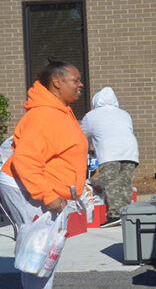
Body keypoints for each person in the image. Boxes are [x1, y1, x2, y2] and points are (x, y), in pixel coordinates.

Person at [0, 58, 88, 289]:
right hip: (24, 186)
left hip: (40, 186)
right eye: (75, 80)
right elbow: (26, 160)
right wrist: (48, 196)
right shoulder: (43, 115)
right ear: (57, 82)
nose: (81, 85)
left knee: (45, 248)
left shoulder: (60, 111)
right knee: (39, 247)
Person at [81, 87, 138, 228]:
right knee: (125, 185)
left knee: (111, 184)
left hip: (109, 153)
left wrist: (87, 151)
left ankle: (115, 215)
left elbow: (81, 138)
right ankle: (126, 214)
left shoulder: (91, 116)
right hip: (130, 151)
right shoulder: (124, 114)